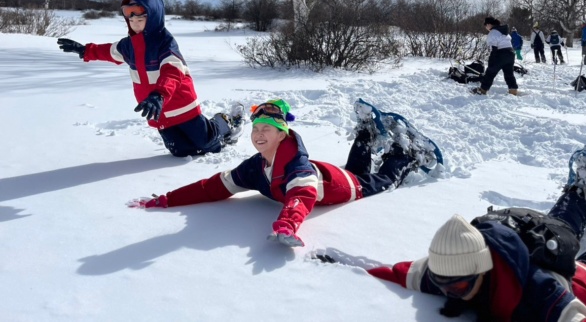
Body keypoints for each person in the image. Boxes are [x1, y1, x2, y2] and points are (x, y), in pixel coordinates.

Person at [363, 148, 586, 322]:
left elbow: (573, 316)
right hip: (520, 237)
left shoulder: (538, 291)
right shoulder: (450, 271)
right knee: (555, 224)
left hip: (557, 272)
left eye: (459, 286)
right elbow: (402, 273)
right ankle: (579, 194)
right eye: (443, 284)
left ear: (480, 269)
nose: (449, 291)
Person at [128, 99, 435, 247]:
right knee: (355, 170)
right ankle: (365, 134)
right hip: (328, 173)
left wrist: (286, 227)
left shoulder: (295, 167)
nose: (259, 134)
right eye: (256, 129)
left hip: (342, 188)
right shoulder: (255, 167)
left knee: (380, 181)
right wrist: (168, 199)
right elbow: (215, 186)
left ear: (282, 134)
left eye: (267, 129)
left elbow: (301, 196)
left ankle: (406, 155)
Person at [57, 0, 243, 157]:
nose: (136, 24)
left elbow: (172, 72)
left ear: (152, 17)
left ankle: (223, 123)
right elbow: (109, 51)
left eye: (140, 19)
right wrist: (85, 50)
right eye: (131, 20)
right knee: (180, 151)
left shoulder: (165, 42)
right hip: (157, 110)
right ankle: (206, 133)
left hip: (180, 104)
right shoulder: (129, 45)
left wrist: (159, 94)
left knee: (208, 143)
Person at [472, 17, 518, 96]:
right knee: (509, 73)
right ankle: (513, 90)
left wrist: (492, 60)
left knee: (490, 73)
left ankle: (482, 90)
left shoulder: (493, 32)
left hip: (500, 53)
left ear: (489, 24)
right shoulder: (504, 31)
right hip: (510, 53)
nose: (486, 27)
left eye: (486, 25)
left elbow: (493, 47)